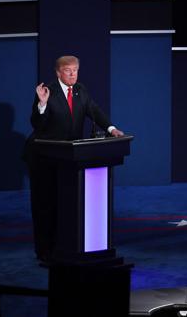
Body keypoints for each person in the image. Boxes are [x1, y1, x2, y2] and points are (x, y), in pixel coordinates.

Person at [23, 55, 124, 262]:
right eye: (68, 70)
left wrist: (111, 128)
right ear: (58, 72)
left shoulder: (80, 90)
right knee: (45, 206)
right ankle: (44, 252)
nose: (72, 74)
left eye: (75, 70)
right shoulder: (47, 92)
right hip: (45, 157)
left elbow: (93, 110)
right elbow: (37, 124)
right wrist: (42, 105)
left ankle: (66, 246)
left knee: (66, 205)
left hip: (71, 157)